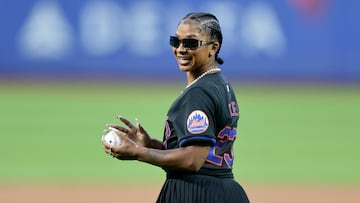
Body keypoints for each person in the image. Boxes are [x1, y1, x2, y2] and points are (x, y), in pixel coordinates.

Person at [102, 12, 250, 203]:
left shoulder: (199, 92)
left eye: (190, 43)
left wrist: (138, 152)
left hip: (197, 193)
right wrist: (152, 145)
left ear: (213, 48)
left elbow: (192, 159)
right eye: (176, 41)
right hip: (224, 191)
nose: (180, 49)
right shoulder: (221, 84)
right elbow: (204, 152)